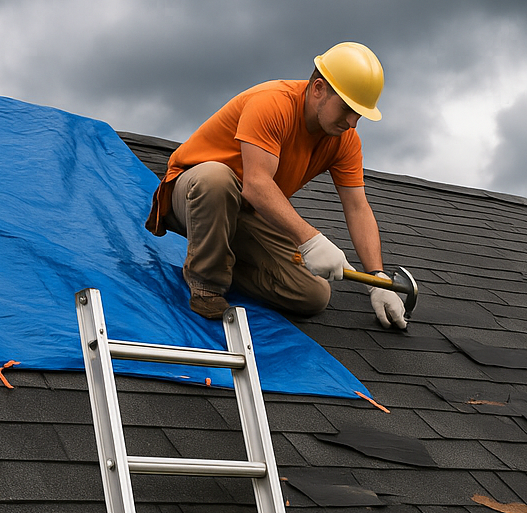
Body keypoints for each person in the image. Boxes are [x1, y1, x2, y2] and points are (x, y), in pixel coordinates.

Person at [145, 42, 407, 329]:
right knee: (216, 179)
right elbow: (256, 185)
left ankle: (222, 259)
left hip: (247, 212)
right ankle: (206, 284)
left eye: (360, 113)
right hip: (194, 194)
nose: (353, 122)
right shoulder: (272, 103)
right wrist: (311, 239)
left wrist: (377, 279)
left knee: (313, 294)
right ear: (318, 88)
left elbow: (357, 207)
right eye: (346, 108)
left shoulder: (345, 140)